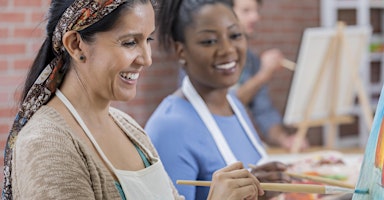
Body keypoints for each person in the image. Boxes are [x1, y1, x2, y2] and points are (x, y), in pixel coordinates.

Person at [2, 0, 266, 199]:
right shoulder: (46, 144)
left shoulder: (127, 127)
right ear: (76, 45)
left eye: (148, 39)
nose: (146, 58)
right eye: (130, 42)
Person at [145, 0, 291, 199]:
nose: (228, 50)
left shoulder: (234, 105)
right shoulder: (169, 128)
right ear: (181, 51)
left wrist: (260, 191)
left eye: (235, 35)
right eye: (209, 41)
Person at [232, 0, 308, 150]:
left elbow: (264, 112)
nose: (255, 17)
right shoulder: (208, 58)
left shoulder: (251, 60)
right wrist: (263, 75)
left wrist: (284, 139)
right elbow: (222, 106)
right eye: (246, 11)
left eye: (256, 11)